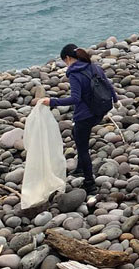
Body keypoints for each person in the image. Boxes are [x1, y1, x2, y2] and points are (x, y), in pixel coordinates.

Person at [35, 44, 118, 195]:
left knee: (83, 148)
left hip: (85, 116)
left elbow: (75, 98)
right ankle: (80, 167)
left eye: (64, 61)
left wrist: (52, 102)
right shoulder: (94, 67)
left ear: (67, 58)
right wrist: (115, 100)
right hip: (100, 110)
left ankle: (89, 184)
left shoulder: (74, 73)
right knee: (76, 133)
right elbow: (108, 84)